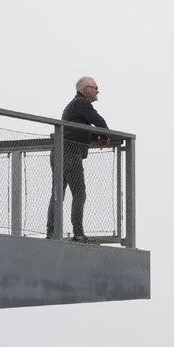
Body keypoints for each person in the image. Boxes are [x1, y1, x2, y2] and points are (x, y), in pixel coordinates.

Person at [46, 75, 111, 242]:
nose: (98, 91)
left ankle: (51, 233)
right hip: (70, 153)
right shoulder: (82, 103)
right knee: (79, 194)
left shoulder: (75, 106)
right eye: (95, 87)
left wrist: (97, 137)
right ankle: (78, 233)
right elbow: (99, 122)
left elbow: (82, 128)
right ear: (85, 90)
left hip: (59, 152)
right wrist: (105, 136)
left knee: (57, 194)